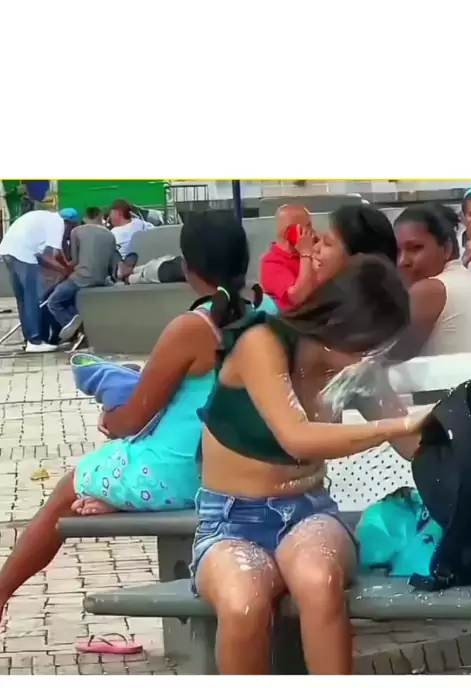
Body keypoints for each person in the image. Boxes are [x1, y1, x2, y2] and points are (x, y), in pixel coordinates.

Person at [0, 211, 275, 622]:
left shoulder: (192, 327)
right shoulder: (268, 311)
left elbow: (130, 421)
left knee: (69, 487)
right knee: (111, 472)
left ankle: (1, 592)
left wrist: (109, 417)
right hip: (245, 469)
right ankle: (119, 496)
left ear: (187, 267)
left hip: (185, 476)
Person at [191, 253, 426, 675]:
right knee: (244, 602)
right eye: (366, 346)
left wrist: (453, 435)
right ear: (338, 325)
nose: (368, 358)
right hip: (230, 521)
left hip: (308, 512)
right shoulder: (262, 342)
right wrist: (396, 425)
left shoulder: (356, 368)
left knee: (319, 581)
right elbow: (296, 437)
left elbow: (413, 444)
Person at [394, 203, 471, 357]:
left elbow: (383, 362)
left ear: (446, 248)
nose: (403, 261)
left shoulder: (429, 290)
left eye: (415, 248)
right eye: (398, 251)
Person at [0, 208, 80, 352]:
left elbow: (41, 258)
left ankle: (29, 340)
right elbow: (56, 254)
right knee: (32, 298)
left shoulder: (44, 218)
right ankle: (35, 340)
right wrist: (68, 269)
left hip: (7, 251)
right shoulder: (58, 223)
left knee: (23, 300)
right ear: (69, 223)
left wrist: (61, 269)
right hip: (23, 253)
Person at [47, 207, 118, 342]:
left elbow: (74, 261)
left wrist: (63, 268)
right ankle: (74, 328)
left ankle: (76, 327)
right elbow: (111, 264)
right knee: (69, 299)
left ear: (85, 218)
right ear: (100, 217)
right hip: (101, 279)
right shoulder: (110, 235)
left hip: (81, 278)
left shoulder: (76, 231)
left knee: (53, 302)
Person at [260, 204, 317, 309]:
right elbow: (298, 296)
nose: (313, 232)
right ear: (291, 233)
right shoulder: (271, 263)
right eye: (307, 227)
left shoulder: (314, 248)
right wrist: (305, 254)